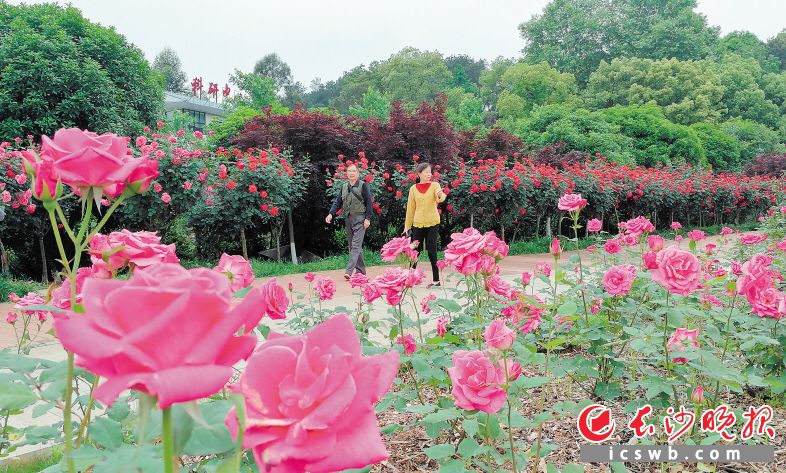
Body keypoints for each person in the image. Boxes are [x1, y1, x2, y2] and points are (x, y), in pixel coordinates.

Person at [326, 164, 373, 280]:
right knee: (353, 246)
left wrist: (368, 218)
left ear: (357, 173)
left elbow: (369, 203)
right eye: (349, 171)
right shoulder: (344, 186)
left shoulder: (363, 186)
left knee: (356, 245)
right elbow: (338, 202)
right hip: (348, 219)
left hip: (360, 219)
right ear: (346, 173)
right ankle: (361, 272)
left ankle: (349, 271)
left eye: (354, 171)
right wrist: (331, 214)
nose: (351, 173)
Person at [404, 162, 447, 287]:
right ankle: (411, 279)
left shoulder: (435, 185)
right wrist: (407, 227)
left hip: (432, 223)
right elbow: (410, 209)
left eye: (430, 172)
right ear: (419, 173)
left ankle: (436, 279)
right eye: (426, 172)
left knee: (431, 251)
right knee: (414, 252)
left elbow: (441, 197)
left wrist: (441, 195)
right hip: (417, 224)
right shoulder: (413, 189)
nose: (429, 174)